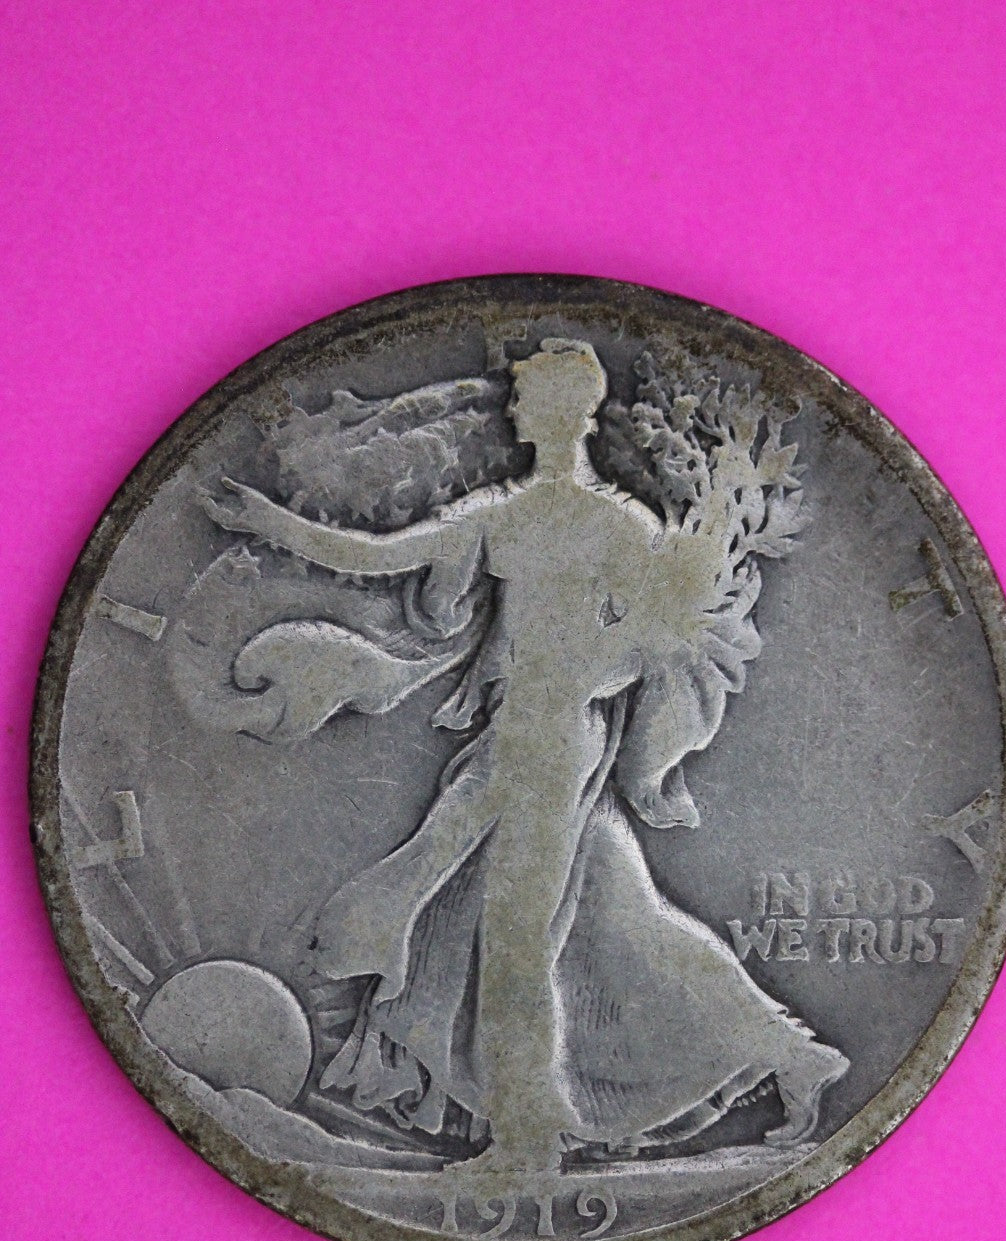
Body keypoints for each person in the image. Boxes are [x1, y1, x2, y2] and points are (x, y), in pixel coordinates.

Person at [202, 339, 847, 1175]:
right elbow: (385, 555)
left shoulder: (614, 525)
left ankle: (526, 1140)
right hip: (529, 736)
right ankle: (794, 1055)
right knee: (620, 917)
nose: (512, 410)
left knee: (514, 943)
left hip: (552, 745)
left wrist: (578, 679)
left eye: (525, 398)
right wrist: (274, 524)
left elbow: (654, 641)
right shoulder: (518, 514)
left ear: (563, 412)